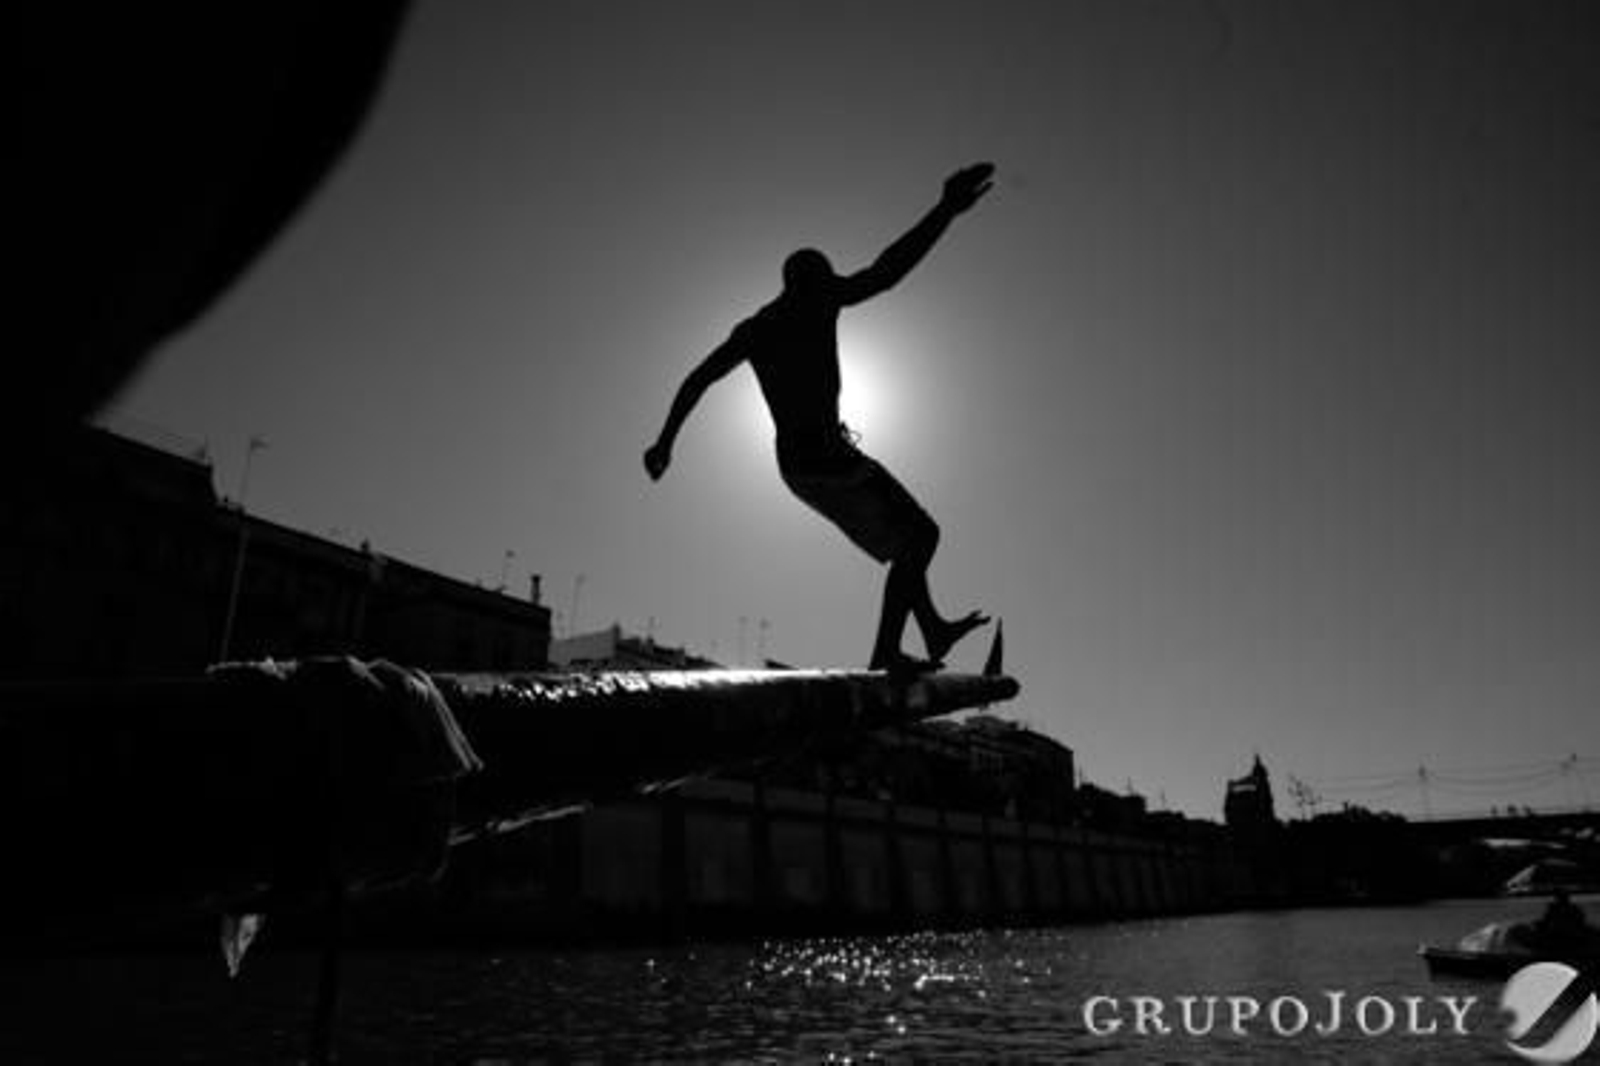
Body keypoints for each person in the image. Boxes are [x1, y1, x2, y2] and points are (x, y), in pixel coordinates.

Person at [644, 164, 996, 673]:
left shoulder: (756, 327)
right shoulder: (818, 301)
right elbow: (886, 272)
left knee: (909, 542)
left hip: (797, 467)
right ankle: (887, 652)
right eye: (829, 280)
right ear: (812, 281)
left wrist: (664, 443)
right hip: (827, 458)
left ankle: (932, 629)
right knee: (923, 536)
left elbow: (697, 379)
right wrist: (944, 210)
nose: (837, 288)